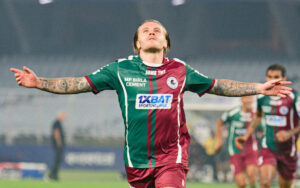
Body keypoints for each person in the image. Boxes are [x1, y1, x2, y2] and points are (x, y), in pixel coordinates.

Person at [10, 20, 292, 188]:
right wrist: (40, 82)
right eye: (145, 30)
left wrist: (258, 88)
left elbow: (218, 85)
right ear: (137, 44)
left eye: (158, 30)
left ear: (166, 42)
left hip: (172, 155)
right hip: (136, 160)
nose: (152, 31)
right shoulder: (119, 70)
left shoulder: (181, 70)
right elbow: (76, 84)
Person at [235, 64, 300, 188]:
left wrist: (289, 133)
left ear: (283, 78)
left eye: (276, 77)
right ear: (266, 78)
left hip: (288, 151)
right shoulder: (261, 97)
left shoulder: (294, 97)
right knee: (264, 183)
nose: (272, 80)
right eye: (269, 77)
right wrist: (246, 135)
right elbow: (258, 116)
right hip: (268, 147)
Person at [214, 96, 258, 188]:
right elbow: (219, 123)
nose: (249, 100)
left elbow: (262, 129)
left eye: (251, 98)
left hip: (251, 150)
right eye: (247, 98)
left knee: (251, 176)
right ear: (241, 99)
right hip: (235, 151)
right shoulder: (233, 113)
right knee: (241, 184)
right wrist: (219, 140)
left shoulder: (256, 114)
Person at [49, 112, 66, 181]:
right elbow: (56, 133)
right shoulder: (57, 123)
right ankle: (53, 174)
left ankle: (53, 174)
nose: (64, 118)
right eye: (63, 116)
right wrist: (59, 143)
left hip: (58, 145)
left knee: (58, 160)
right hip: (58, 145)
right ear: (60, 116)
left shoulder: (58, 123)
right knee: (57, 160)